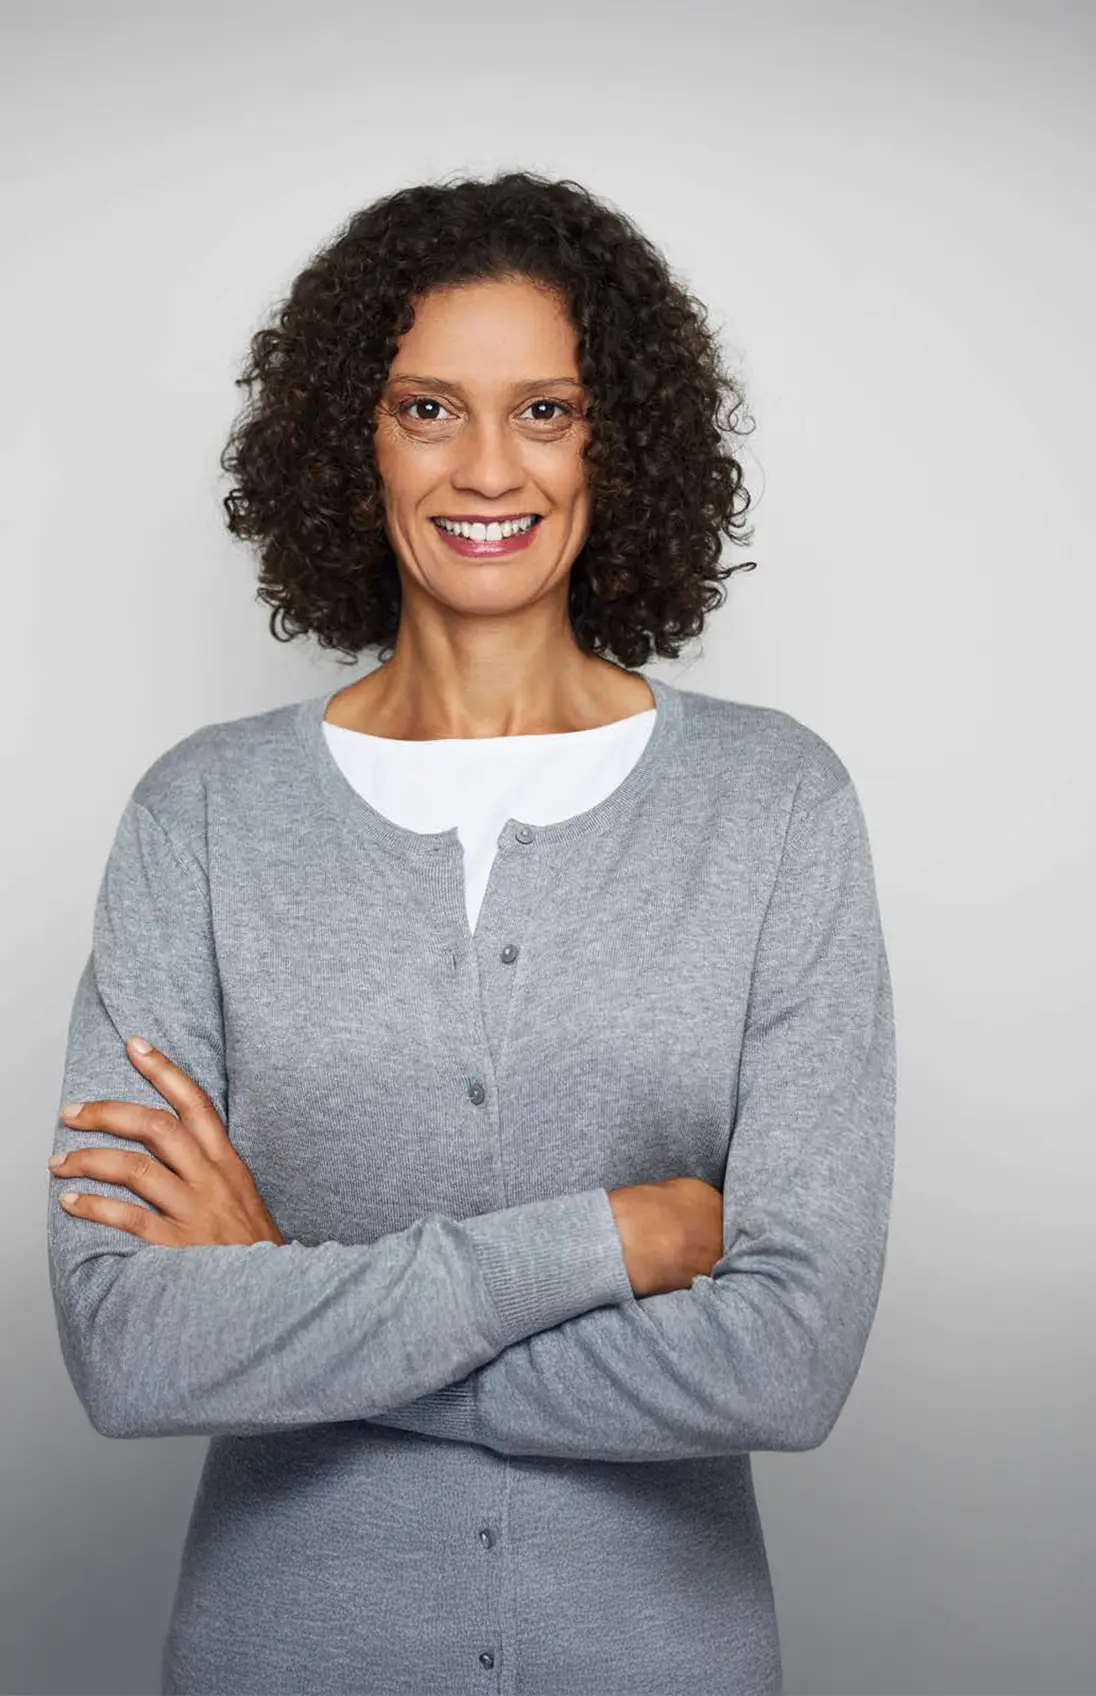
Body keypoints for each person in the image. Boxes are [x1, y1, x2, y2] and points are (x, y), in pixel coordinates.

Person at [46, 170, 897, 1696]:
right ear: (349, 439)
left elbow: (788, 1361)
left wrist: (289, 1292)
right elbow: (130, 1347)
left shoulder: (776, 807)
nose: (486, 466)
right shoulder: (204, 817)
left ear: (616, 441)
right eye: (427, 407)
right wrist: (607, 1241)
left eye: (547, 411)